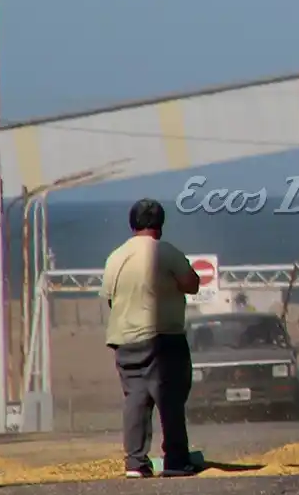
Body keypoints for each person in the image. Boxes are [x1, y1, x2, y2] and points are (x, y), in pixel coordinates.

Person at [99, 198, 202, 478]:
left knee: (135, 398)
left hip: (125, 339)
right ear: (160, 226)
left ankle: (135, 462)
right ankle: (176, 460)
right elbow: (192, 284)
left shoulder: (115, 257)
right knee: (170, 397)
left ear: (132, 225)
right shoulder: (166, 252)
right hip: (163, 337)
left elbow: (109, 297)